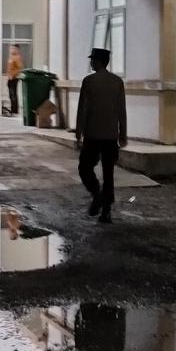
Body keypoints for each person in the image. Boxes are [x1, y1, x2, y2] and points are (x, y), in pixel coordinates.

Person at [75, 47, 127, 224]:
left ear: (98, 61)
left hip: (93, 134)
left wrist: (78, 132)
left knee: (85, 168)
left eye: (92, 60)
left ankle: (97, 194)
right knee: (108, 173)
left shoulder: (89, 81)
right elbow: (121, 110)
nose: (91, 62)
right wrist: (123, 133)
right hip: (110, 136)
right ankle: (106, 211)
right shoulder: (117, 82)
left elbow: (82, 108)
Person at [6, 45, 24, 116]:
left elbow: (20, 68)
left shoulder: (17, 57)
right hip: (10, 78)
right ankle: (13, 109)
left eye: (14, 49)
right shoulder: (11, 57)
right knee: (11, 94)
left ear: (17, 49)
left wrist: (13, 75)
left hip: (14, 78)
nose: (12, 50)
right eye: (11, 48)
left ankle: (14, 111)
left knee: (13, 94)